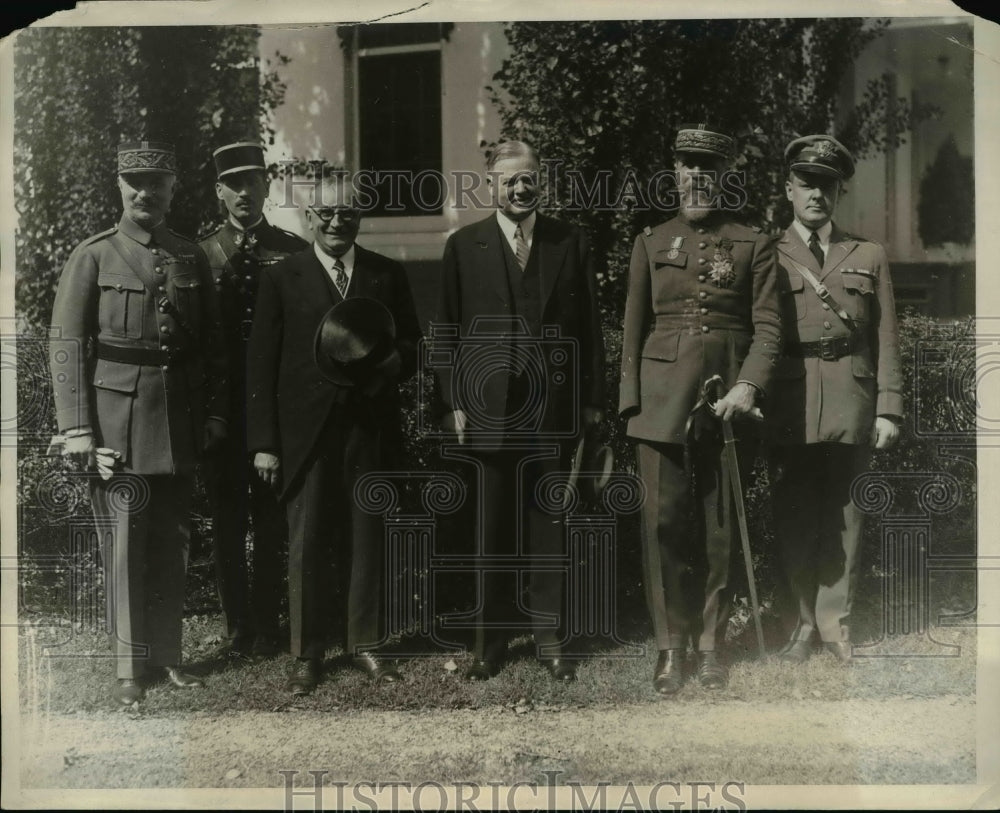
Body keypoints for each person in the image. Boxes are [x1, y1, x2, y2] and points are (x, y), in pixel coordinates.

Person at [49, 140, 229, 706]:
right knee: (125, 542)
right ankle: (130, 668)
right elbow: (66, 345)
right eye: (135, 183)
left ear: (174, 190)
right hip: (116, 418)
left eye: (157, 182)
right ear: (119, 188)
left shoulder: (188, 255)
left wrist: (215, 411)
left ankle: (169, 658)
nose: (145, 192)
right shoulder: (95, 255)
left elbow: (212, 345)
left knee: (172, 540)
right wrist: (78, 429)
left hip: (177, 413)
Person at [619, 124, 782, 695]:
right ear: (674, 175)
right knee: (661, 525)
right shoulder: (649, 241)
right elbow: (632, 328)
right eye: (687, 167)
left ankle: (710, 647)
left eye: (707, 169)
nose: (696, 178)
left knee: (717, 528)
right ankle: (670, 647)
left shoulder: (752, 243)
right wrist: (630, 404)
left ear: (723, 178)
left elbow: (767, 327)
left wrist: (749, 387)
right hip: (661, 401)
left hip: (725, 402)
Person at [434, 140, 605, 683]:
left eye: (528, 178)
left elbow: (591, 331)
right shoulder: (464, 246)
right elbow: (445, 331)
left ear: (541, 182)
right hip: (487, 408)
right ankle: (489, 643)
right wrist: (453, 399)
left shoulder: (568, 242)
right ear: (491, 185)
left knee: (547, 526)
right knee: (489, 529)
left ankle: (551, 640)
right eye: (509, 180)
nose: (520, 188)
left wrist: (593, 402)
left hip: (552, 411)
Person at [246, 172, 423, 696]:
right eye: (325, 213)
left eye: (347, 212)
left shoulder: (386, 274)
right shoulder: (283, 278)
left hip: (369, 429)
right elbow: (261, 364)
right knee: (307, 542)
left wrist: (397, 360)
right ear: (308, 218)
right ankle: (307, 652)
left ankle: (366, 643)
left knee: (369, 537)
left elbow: (413, 342)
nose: (336, 221)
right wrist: (264, 442)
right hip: (305, 434)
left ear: (359, 216)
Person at [767, 135, 903, 665]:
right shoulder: (769, 252)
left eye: (826, 185)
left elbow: (886, 335)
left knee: (846, 512)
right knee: (796, 511)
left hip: (853, 394)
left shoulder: (867, 253)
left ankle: (835, 623)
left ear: (839, 191)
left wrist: (889, 405)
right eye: (806, 184)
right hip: (791, 400)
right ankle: (801, 624)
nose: (816, 194)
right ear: (789, 190)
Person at [198, 142, 308, 658]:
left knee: (270, 519)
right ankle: (236, 629)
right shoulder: (200, 254)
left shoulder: (291, 249)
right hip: (221, 410)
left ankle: (268, 627)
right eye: (233, 184)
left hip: (275, 409)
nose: (244, 193)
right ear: (219, 192)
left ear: (267, 187)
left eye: (253, 182)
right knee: (225, 518)